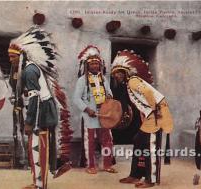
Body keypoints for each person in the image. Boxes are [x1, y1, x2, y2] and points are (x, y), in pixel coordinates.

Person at [8, 26, 72, 189]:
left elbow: (35, 98)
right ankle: (38, 182)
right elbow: (29, 95)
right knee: (36, 147)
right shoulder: (28, 69)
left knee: (37, 147)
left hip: (41, 113)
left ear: (22, 56)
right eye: (9, 57)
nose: (10, 60)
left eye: (13, 57)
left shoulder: (29, 71)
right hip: (41, 110)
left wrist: (30, 122)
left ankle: (40, 185)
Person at [111, 50, 174, 188]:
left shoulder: (133, 81)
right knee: (138, 141)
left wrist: (155, 110)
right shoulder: (129, 84)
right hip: (151, 114)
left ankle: (150, 179)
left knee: (150, 146)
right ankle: (135, 175)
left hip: (157, 113)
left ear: (125, 72)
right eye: (115, 74)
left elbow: (148, 92)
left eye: (118, 73)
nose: (116, 76)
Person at [74, 45, 117, 174]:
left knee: (107, 140)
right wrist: (87, 109)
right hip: (90, 115)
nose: (95, 66)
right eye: (92, 64)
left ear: (100, 65)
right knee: (91, 141)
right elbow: (76, 98)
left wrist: (109, 96)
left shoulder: (103, 79)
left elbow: (110, 93)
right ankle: (91, 166)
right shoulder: (82, 80)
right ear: (87, 66)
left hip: (104, 114)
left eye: (96, 64)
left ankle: (107, 164)